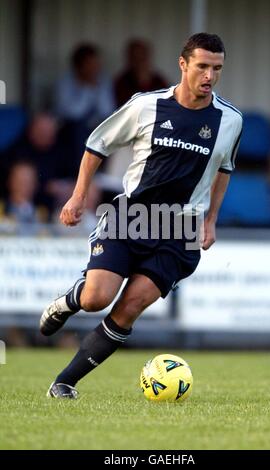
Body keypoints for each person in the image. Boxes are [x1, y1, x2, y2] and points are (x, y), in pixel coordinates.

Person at [40, 33, 243, 399]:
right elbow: (97, 143)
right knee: (95, 299)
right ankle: (72, 298)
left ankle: (64, 382)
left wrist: (211, 220)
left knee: (129, 307)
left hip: (180, 230)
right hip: (131, 217)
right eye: (202, 66)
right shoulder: (146, 106)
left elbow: (224, 168)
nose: (209, 76)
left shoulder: (230, 120)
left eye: (217, 69)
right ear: (183, 65)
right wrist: (78, 196)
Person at [115, 38, 168, 107]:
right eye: (135, 58)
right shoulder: (121, 83)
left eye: (142, 57)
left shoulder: (159, 81)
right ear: (129, 59)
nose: (139, 62)